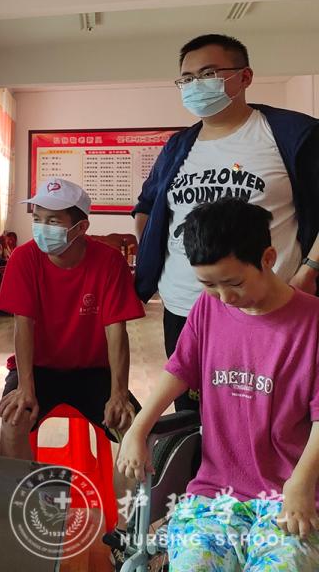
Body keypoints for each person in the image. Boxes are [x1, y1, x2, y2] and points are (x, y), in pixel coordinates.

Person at [119, 198, 319, 571]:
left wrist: (302, 484)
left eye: (234, 283)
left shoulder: (312, 322)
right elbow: (180, 369)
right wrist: (138, 428)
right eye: (209, 284)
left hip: (292, 497)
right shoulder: (209, 307)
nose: (225, 298)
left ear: (268, 258)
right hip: (216, 496)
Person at [134, 34, 319, 411]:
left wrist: (308, 273)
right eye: (187, 78)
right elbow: (148, 206)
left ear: (244, 77)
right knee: (192, 416)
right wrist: (155, 258)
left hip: (265, 309)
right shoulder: (178, 146)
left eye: (208, 74)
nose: (195, 85)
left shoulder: (291, 134)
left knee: (268, 415)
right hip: (185, 309)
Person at [0, 178, 143, 460]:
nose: (42, 228)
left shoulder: (109, 262)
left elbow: (116, 331)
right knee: (13, 420)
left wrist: (119, 393)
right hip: (37, 369)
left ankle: (121, 493)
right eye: (37, 219)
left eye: (53, 221)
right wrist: (25, 387)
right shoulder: (23, 259)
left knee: (134, 429)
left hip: (92, 371)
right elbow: (23, 325)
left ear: (81, 227)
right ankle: (18, 490)